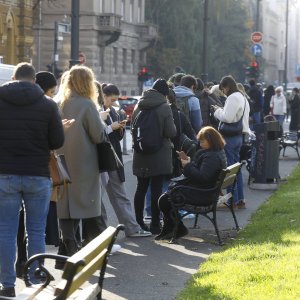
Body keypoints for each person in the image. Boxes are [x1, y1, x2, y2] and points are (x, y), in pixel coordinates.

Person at [0, 62, 64, 297]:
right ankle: (36, 278)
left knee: (5, 231)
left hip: (4, 174)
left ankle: (7, 285)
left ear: (13, 77)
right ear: (34, 80)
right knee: (36, 230)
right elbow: (57, 142)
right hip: (38, 174)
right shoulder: (47, 105)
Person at [56, 65, 106, 259]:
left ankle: (66, 246)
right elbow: (98, 135)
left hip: (60, 160)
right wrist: (102, 121)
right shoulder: (87, 105)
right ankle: (70, 243)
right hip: (84, 161)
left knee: (64, 203)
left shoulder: (58, 102)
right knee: (81, 203)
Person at [98, 82, 151, 237]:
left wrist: (119, 128)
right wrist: (111, 128)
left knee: (118, 195)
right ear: (104, 96)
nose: (114, 103)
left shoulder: (112, 111)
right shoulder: (96, 110)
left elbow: (114, 137)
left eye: (116, 100)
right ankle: (112, 232)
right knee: (105, 198)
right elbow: (97, 134)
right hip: (104, 157)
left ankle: (130, 228)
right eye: (112, 99)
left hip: (111, 156)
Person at [156, 126, 227, 240]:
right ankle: (174, 228)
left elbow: (203, 177)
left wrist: (187, 165)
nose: (200, 143)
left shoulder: (211, 157)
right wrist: (190, 163)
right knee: (165, 198)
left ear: (211, 141)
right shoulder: (216, 153)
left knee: (165, 200)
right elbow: (203, 175)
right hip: (206, 192)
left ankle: (176, 228)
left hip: (203, 195)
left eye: (203, 141)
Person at [132, 78, 177, 234]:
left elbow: (133, 127)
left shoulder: (139, 105)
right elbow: (170, 132)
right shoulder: (165, 107)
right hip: (159, 154)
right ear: (165, 94)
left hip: (140, 153)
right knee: (156, 189)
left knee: (141, 188)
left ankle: (138, 222)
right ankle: (155, 225)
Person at [212, 75, 250, 209]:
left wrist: (217, 111)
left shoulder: (233, 97)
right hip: (239, 135)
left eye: (223, 89)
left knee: (229, 170)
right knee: (236, 169)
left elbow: (227, 117)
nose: (223, 92)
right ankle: (239, 200)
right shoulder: (242, 97)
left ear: (227, 86)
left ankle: (231, 200)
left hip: (230, 137)